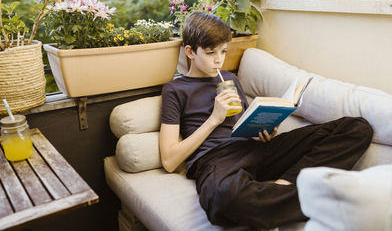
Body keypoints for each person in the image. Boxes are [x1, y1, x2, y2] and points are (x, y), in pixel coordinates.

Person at [159, 12, 373, 229]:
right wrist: (214, 119)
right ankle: (324, 201)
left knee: (356, 128)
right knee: (224, 199)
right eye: (210, 52)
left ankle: (283, 186)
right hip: (216, 159)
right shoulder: (175, 90)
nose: (218, 59)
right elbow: (169, 161)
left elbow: (240, 126)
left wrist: (262, 130)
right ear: (190, 52)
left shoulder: (231, 79)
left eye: (223, 51)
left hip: (255, 148)